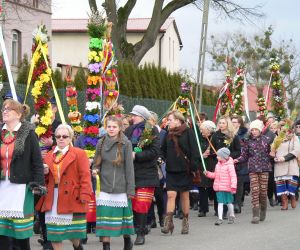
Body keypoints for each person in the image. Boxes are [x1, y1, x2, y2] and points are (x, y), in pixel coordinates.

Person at [36, 124, 92, 250]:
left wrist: (85, 195)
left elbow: (85, 176)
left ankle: (77, 246)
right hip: (52, 197)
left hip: (72, 197)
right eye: (58, 136)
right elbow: (45, 180)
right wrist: (44, 173)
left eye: (64, 136)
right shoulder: (49, 155)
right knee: (55, 234)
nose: (61, 139)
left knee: (73, 233)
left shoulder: (79, 153)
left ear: (70, 138)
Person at [0, 99, 45, 250]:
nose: (4, 111)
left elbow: (37, 161)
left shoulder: (29, 133)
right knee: (2, 233)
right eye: (3, 108)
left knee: (20, 233)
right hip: (2, 188)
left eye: (9, 109)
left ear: (19, 114)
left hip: (21, 188)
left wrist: (38, 184)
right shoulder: (1, 132)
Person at [93, 116, 135, 250]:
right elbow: (96, 163)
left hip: (121, 187)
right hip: (104, 186)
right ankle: (106, 246)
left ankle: (127, 240)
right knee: (105, 219)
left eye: (114, 127)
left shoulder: (126, 143)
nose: (111, 129)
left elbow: (129, 168)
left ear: (120, 128)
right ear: (105, 127)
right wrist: (95, 170)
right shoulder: (100, 142)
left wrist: (130, 189)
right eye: (109, 126)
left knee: (123, 218)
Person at [125, 105, 160, 245]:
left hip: (146, 173)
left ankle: (140, 233)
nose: (132, 117)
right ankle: (135, 229)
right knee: (132, 204)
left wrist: (137, 155)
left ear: (142, 117)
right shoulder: (128, 130)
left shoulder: (151, 130)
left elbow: (154, 152)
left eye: (135, 115)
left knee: (142, 204)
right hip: (130, 172)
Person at [161, 110, 199, 235]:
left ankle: (185, 221)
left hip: (185, 170)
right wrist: (161, 158)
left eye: (170, 120)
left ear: (178, 120)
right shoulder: (168, 133)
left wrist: (193, 167)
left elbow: (194, 151)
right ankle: (168, 222)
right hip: (171, 170)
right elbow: (163, 150)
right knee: (171, 195)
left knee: (184, 196)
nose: (168, 122)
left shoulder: (188, 132)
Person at [234, 119, 272, 224]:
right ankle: (255, 214)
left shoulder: (267, 140)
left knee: (263, 192)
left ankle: (263, 209)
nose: (254, 131)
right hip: (253, 169)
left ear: (260, 130)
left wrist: (274, 154)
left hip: (264, 168)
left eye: (256, 129)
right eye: (252, 130)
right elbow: (244, 155)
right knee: (255, 191)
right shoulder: (247, 141)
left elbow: (271, 153)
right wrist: (238, 159)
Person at [211, 116, 241, 218]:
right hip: (219, 165)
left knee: (227, 186)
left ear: (227, 124)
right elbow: (212, 149)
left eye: (223, 123)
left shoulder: (233, 136)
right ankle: (220, 210)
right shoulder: (215, 135)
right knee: (219, 186)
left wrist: (228, 157)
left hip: (229, 164)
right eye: (220, 123)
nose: (221, 125)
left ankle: (231, 206)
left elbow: (238, 150)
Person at [271, 119, 300, 210]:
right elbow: (273, 150)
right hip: (279, 164)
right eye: (281, 126)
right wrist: (273, 155)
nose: (283, 128)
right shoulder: (277, 138)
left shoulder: (294, 137)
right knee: (281, 184)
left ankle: (292, 197)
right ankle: (284, 202)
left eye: (285, 126)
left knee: (292, 183)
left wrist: (285, 158)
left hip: (291, 163)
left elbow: (297, 150)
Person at [205, 147, 237, 225]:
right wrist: (208, 173)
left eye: (218, 156)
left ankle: (232, 215)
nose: (217, 157)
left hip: (228, 188)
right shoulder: (217, 165)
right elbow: (215, 175)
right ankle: (220, 218)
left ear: (223, 156)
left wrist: (233, 187)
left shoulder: (230, 165)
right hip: (219, 188)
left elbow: (233, 176)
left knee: (229, 202)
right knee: (220, 202)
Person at [198, 120, 217, 217]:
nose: (201, 132)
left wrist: (211, 153)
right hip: (203, 165)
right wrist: (201, 155)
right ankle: (203, 209)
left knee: (215, 187)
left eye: (203, 130)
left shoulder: (215, 138)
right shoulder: (199, 139)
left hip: (213, 165)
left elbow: (220, 152)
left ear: (209, 130)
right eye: (200, 130)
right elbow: (196, 152)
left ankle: (217, 209)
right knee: (202, 187)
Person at [231, 115, 248, 213]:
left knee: (239, 183)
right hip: (230, 161)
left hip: (241, 161)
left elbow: (246, 148)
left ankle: (237, 203)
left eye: (235, 122)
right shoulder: (228, 133)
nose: (233, 124)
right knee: (231, 183)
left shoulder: (244, 134)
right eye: (232, 122)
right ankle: (232, 202)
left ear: (239, 123)